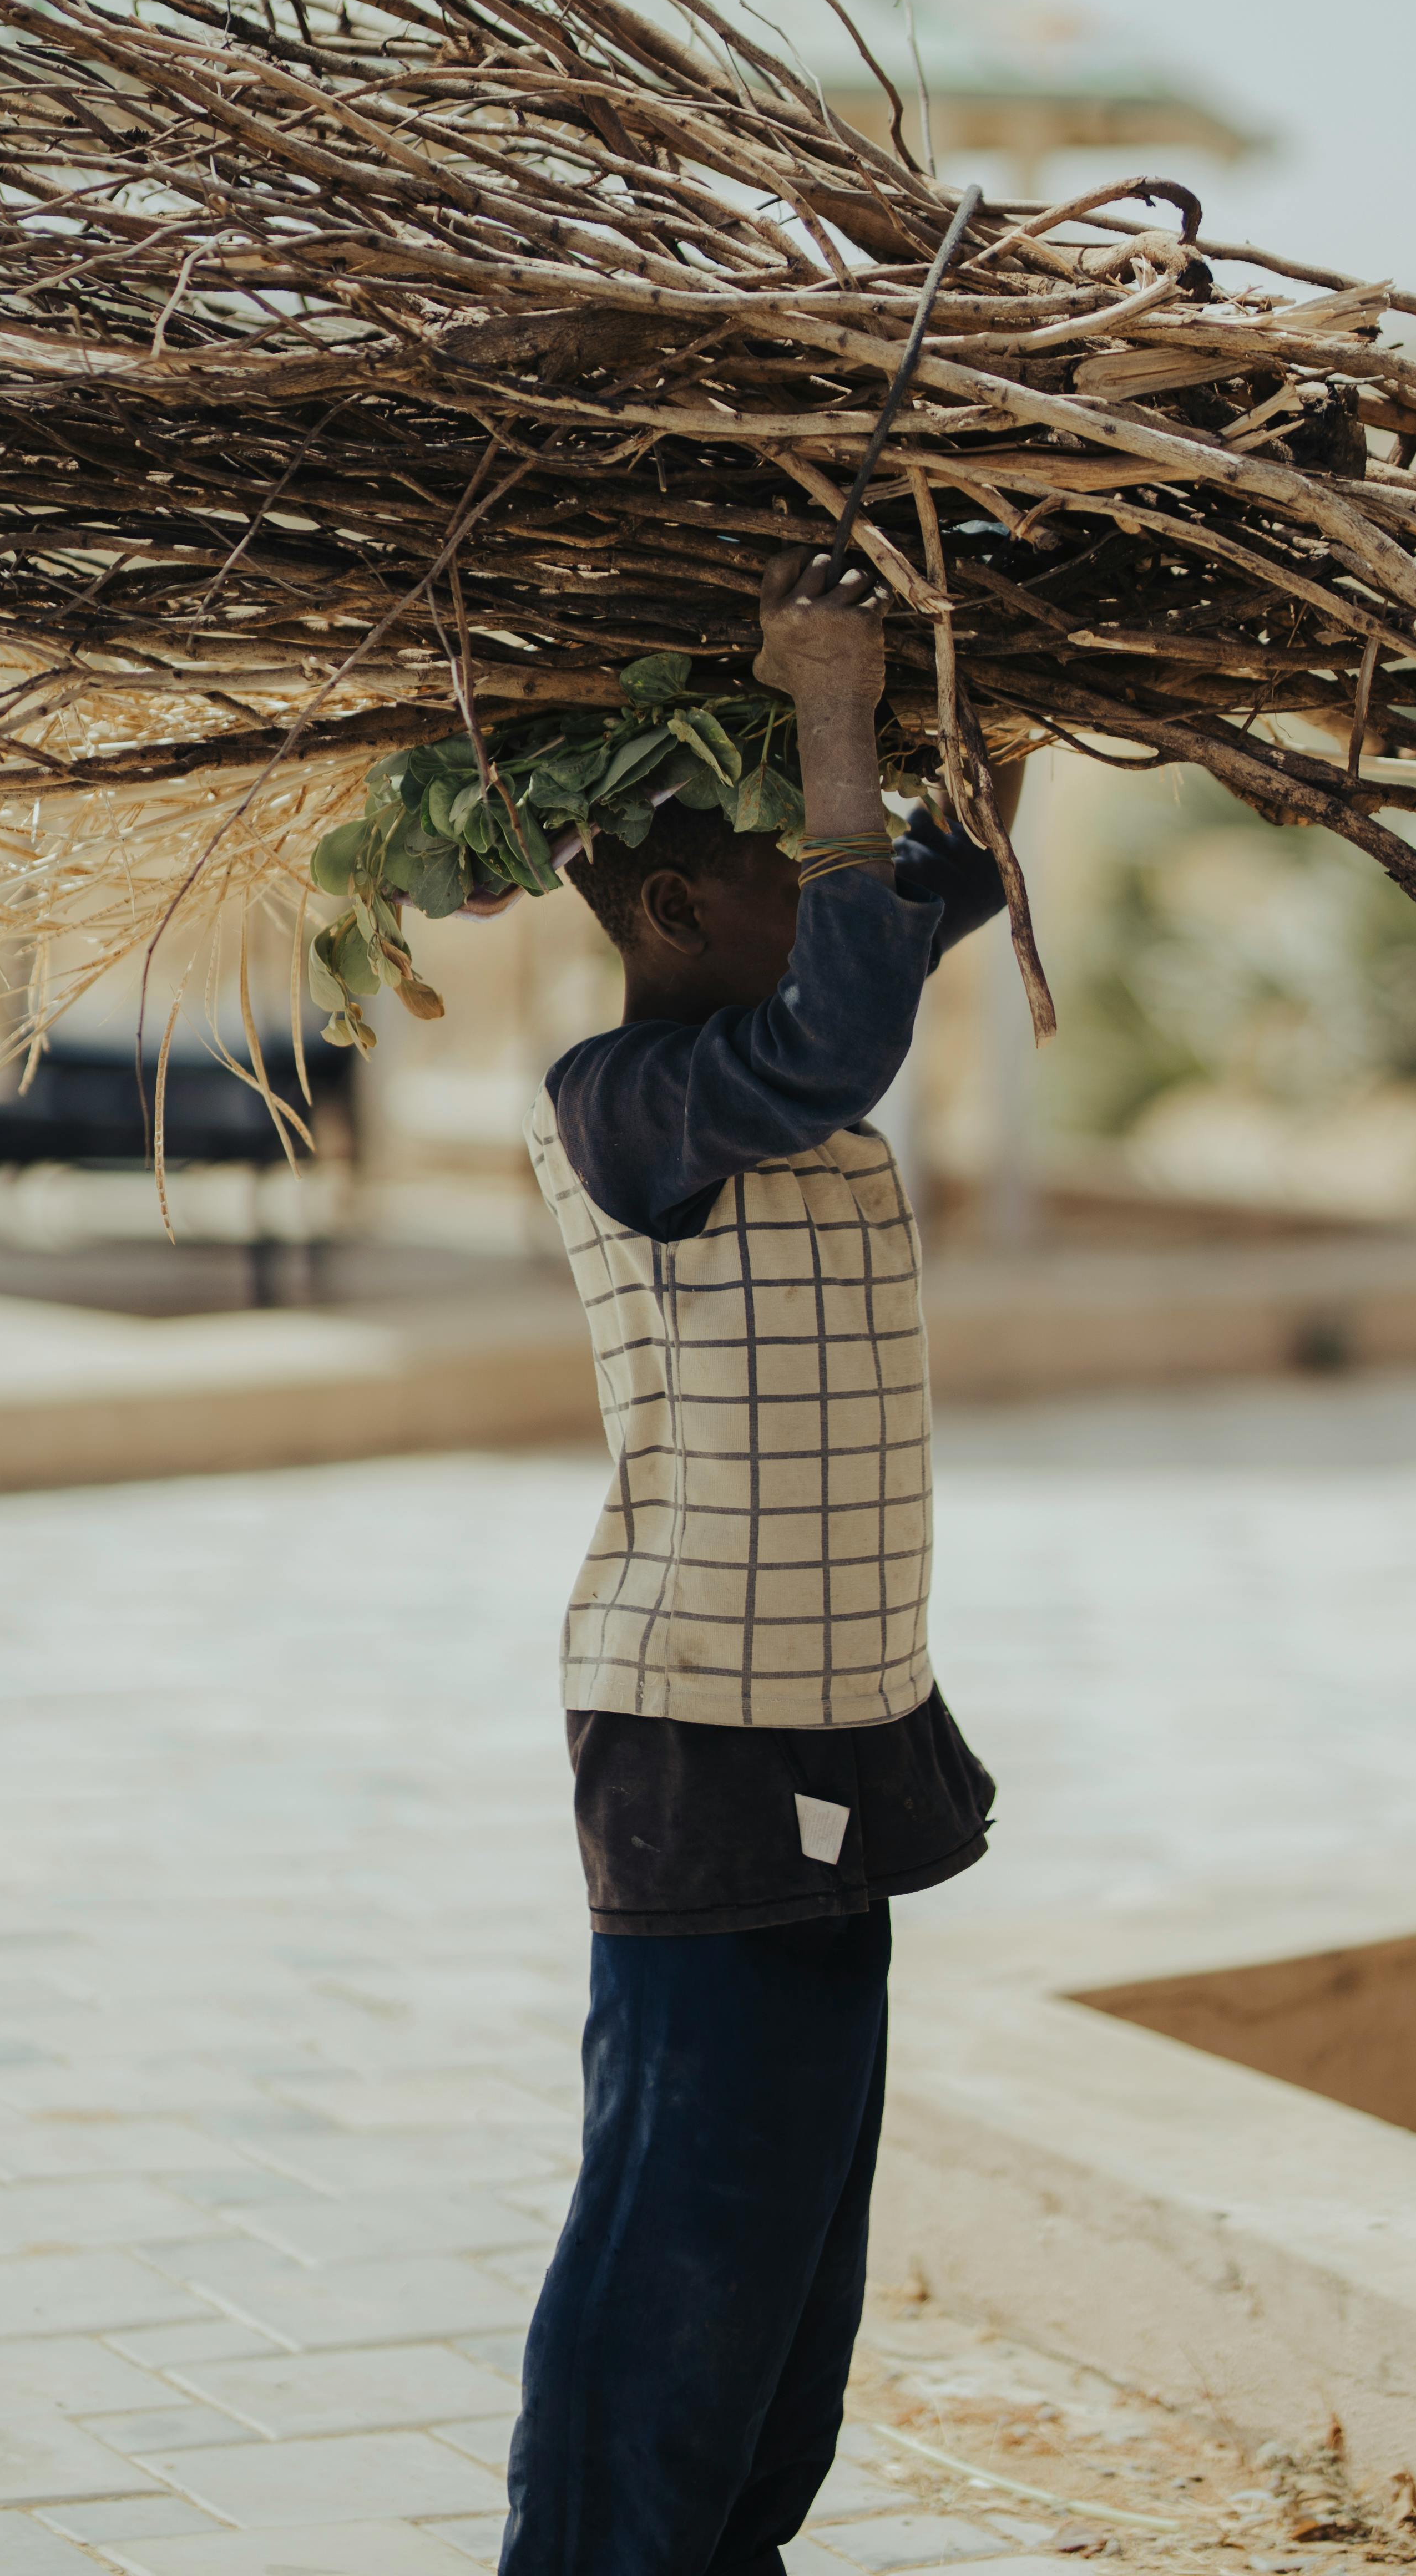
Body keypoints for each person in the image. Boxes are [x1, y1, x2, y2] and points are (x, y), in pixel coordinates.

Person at [498, 545, 1023, 2575]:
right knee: (680, 2243)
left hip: (832, 1735)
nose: (830, 892)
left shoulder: (765, 1068)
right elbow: (840, 1028)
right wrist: (824, 712)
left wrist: (958, 709)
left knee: (795, 2258)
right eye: (786, 871)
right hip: (702, 1747)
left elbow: (940, 887)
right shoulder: (627, 1103)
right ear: (669, 913)